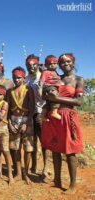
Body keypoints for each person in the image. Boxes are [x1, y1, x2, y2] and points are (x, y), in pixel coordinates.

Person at [41, 53, 84, 194]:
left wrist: (57, 97)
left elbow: (78, 102)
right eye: (62, 62)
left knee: (70, 152)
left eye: (68, 61)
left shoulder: (78, 80)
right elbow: (46, 94)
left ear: (73, 62)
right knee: (55, 149)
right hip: (54, 117)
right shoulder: (56, 79)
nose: (65, 64)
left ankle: (72, 185)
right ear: (59, 65)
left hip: (68, 117)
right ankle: (57, 180)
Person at [6, 67, 34, 184]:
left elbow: (32, 107)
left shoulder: (28, 89)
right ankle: (18, 173)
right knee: (15, 148)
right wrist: (9, 123)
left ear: (23, 78)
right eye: (14, 78)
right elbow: (7, 110)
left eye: (19, 78)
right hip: (13, 120)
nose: (16, 80)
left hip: (26, 120)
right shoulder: (9, 91)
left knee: (28, 149)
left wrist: (26, 123)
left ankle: (26, 173)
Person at [24, 54, 49, 179]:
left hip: (42, 112)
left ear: (38, 64)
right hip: (30, 114)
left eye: (34, 64)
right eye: (29, 65)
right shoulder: (26, 79)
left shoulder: (43, 76)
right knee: (32, 141)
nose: (31, 66)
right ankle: (33, 166)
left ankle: (45, 167)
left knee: (44, 141)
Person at [40, 55, 62, 121]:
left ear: (57, 64)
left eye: (54, 63)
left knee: (48, 103)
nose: (52, 65)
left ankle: (42, 115)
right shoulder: (45, 72)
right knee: (56, 98)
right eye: (49, 64)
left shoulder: (56, 73)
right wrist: (40, 90)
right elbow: (41, 82)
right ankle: (54, 112)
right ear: (45, 65)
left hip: (52, 88)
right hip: (49, 88)